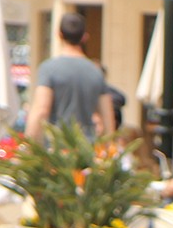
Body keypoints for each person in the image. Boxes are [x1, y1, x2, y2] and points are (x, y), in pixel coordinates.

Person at [25, 12, 113, 140]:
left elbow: (41, 110)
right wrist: (108, 145)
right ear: (84, 37)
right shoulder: (96, 71)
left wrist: (29, 144)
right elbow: (107, 116)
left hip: (57, 146)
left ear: (59, 35)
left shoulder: (49, 69)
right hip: (87, 147)